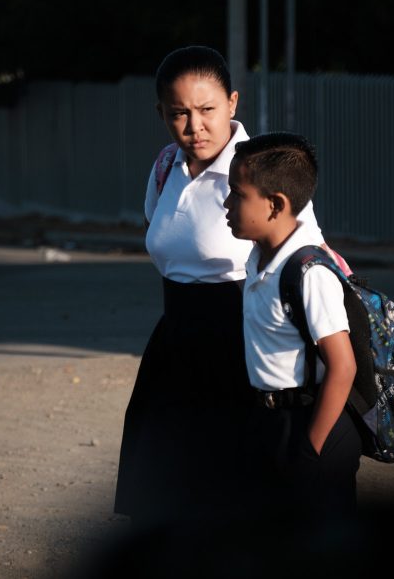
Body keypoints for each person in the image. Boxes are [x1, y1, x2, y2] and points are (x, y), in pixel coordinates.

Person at [113, 47, 325, 523]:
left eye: (207, 110)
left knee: (236, 505)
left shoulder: (262, 173)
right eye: (179, 113)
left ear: (232, 103)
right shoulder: (166, 166)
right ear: (161, 114)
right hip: (174, 349)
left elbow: (308, 260)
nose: (195, 127)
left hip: (243, 353)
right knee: (167, 504)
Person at [224, 133, 362, 516]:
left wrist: (309, 450)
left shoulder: (308, 272)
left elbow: (342, 366)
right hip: (272, 422)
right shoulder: (258, 258)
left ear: (275, 205)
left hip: (313, 426)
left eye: (237, 194)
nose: (226, 204)